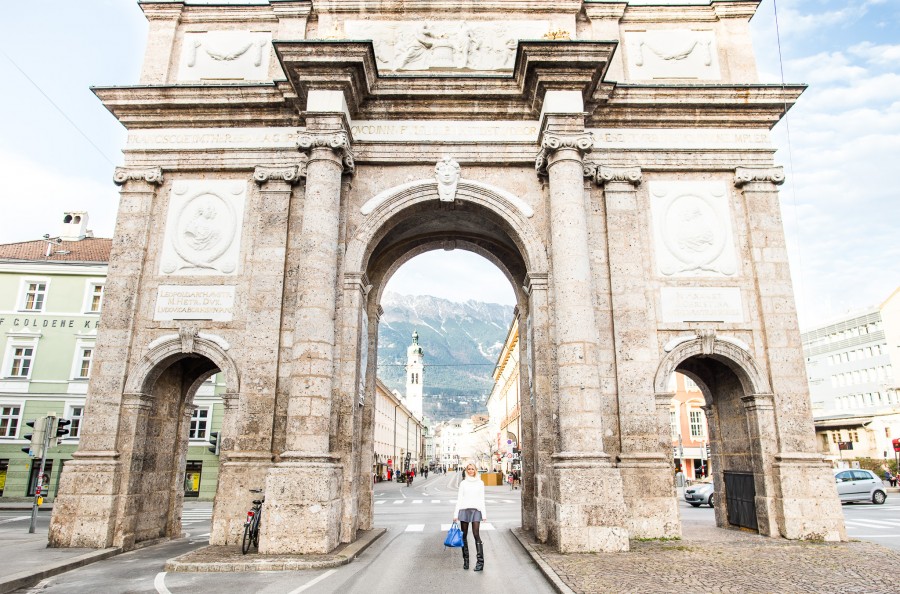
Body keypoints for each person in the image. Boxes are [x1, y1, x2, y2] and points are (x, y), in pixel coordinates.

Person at [454, 461, 487, 571]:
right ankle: (466, 560)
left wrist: (484, 514)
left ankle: (480, 563)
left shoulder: (480, 483)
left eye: (472, 469)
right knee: (463, 536)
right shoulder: (463, 483)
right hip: (464, 510)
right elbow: (459, 499)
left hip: (476, 511)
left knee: (476, 534)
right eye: (469, 469)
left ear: (475, 470)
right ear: (466, 471)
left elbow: (482, 499)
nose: (471, 471)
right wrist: (455, 514)